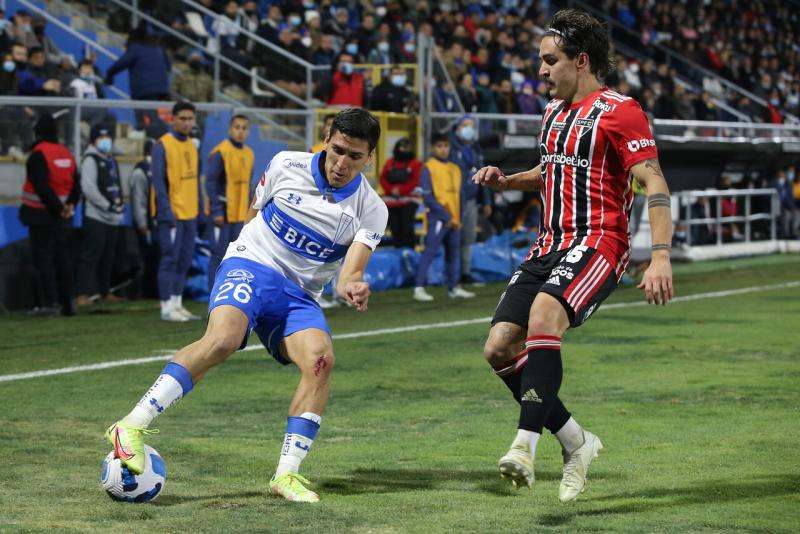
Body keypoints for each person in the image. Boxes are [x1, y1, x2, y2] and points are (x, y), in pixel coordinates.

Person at [103, 108, 388, 503]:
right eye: (338, 150)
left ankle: (286, 476)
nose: (342, 163)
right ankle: (131, 425)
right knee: (224, 339)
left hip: (300, 294)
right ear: (326, 138)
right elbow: (255, 213)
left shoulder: (372, 209)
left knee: (321, 360)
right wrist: (239, 257)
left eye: (355, 157)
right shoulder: (285, 164)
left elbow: (348, 275)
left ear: (370, 157)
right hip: (252, 264)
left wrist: (353, 286)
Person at [471, 8, 674, 502]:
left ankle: (524, 446)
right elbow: (552, 169)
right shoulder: (552, 112)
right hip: (549, 245)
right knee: (498, 349)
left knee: (543, 316)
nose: (540, 70)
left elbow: (653, 179)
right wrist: (509, 180)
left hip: (599, 244)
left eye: (549, 60)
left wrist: (662, 255)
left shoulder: (621, 112)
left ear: (581, 60)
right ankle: (576, 442)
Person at [19, 113, 80, 316]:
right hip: (64, 218)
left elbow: (41, 187)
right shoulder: (66, 154)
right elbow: (76, 184)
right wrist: (69, 205)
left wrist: (57, 208)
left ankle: (50, 304)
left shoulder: (38, 154)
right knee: (64, 260)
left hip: (41, 217)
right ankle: (69, 304)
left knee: (44, 261)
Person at [151, 101, 202, 322]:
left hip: (190, 212)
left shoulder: (192, 144)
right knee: (169, 258)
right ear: (173, 119)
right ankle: (166, 306)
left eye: (190, 119)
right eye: (182, 118)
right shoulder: (162, 145)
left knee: (184, 259)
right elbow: (159, 183)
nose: (186, 123)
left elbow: (195, 182)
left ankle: (177, 303)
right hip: (172, 213)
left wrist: (200, 210)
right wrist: (166, 212)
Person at [413, 133, 475, 302]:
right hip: (438, 218)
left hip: (454, 220)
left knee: (453, 254)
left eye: (445, 146)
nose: (443, 149)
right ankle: (419, 287)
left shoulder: (456, 169)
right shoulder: (429, 167)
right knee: (430, 252)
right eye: (439, 146)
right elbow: (428, 196)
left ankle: (454, 287)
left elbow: (461, 196)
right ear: (433, 148)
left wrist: (459, 218)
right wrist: (445, 216)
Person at [75, 124, 125, 307]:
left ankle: (104, 291)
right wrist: (107, 205)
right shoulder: (90, 159)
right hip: (96, 216)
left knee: (108, 256)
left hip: (112, 217)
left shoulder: (111, 160)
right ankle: (83, 293)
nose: (105, 141)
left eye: (107, 137)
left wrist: (119, 204)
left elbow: (116, 184)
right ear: (93, 140)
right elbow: (88, 188)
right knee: (91, 256)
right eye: (100, 137)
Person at [206, 114, 255, 291]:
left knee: (236, 257)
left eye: (244, 128)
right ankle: (213, 295)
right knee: (218, 255)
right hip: (223, 215)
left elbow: (249, 186)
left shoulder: (249, 153)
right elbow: (211, 184)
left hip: (240, 215)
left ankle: (230, 296)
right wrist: (217, 211)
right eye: (237, 127)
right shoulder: (220, 152)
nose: (240, 131)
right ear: (229, 129)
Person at [450, 115, 491, 285]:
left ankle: (465, 273)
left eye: (471, 126)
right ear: (457, 128)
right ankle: (452, 275)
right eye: (465, 125)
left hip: (472, 201)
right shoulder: (451, 149)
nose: (469, 129)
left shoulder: (476, 150)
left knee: (468, 238)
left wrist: (487, 201)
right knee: (453, 239)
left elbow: (483, 175)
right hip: (454, 202)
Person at [379, 137, 421, 249]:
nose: (403, 149)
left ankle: (409, 252)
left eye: (406, 147)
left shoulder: (416, 164)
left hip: (409, 200)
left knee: (407, 228)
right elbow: (382, 178)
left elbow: (415, 181)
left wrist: (401, 190)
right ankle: (398, 250)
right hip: (391, 201)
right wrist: (391, 190)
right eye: (401, 146)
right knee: (395, 229)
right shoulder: (389, 163)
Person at [130, 139, 159, 298]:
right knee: (146, 258)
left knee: (156, 258)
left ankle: (154, 291)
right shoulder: (141, 171)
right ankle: (144, 292)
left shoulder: (158, 168)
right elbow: (138, 198)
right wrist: (142, 222)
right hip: (146, 223)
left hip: (157, 222)